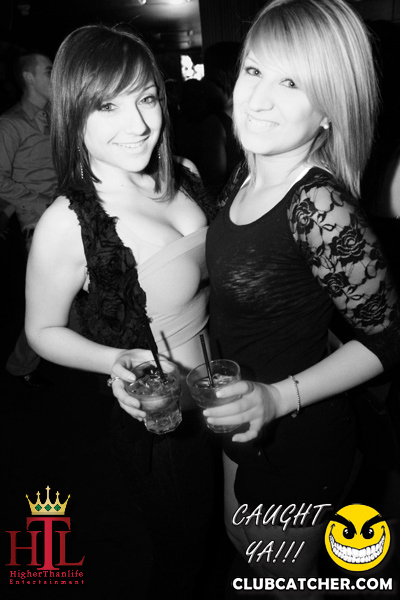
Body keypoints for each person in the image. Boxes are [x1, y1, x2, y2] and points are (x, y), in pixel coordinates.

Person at [203, 0, 400, 596]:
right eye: (254, 70)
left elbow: (388, 339)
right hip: (242, 420)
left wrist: (274, 398)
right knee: (243, 546)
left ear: (329, 110)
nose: (257, 98)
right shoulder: (248, 171)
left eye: (292, 83)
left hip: (296, 439)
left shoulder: (318, 206)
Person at [25, 24, 218, 599]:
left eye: (147, 98)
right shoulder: (69, 220)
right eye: (107, 106)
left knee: (233, 531)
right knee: (184, 555)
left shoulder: (184, 172)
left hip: (229, 386)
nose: (137, 124)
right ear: (73, 112)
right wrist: (114, 359)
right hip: (167, 420)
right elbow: (41, 329)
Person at [1, 51, 56, 387]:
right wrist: (38, 201)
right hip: (37, 219)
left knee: (60, 297)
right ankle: (20, 364)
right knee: (52, 301)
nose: (55, 75)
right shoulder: (10, 123)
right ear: (29, 77)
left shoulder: (53, 117)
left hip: (62, 213)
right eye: (48, 70)